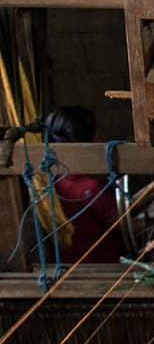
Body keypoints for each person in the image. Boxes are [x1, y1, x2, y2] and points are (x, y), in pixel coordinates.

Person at [45, 106, 121, 263]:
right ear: (86, 143)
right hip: (102, 266)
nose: (104, 140)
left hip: (66, 263)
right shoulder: (90, 187)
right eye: (99, 135)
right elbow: (124, 224)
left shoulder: (49, 180)